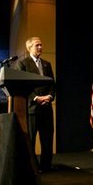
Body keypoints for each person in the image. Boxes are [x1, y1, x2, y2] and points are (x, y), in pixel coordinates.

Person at [16, 36, 56, 172]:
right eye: (37, 45)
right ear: (29, 48)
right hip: (32, 109)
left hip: (46, 108)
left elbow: (52, 84)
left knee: (47, 139)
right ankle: (32, 167)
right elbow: (21, 85)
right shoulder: (23, 63)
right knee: (31, 140)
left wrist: (49, 97)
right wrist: (35, 98)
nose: (40, 47)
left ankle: (46, 166)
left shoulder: (47, 64)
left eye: (41, 45)